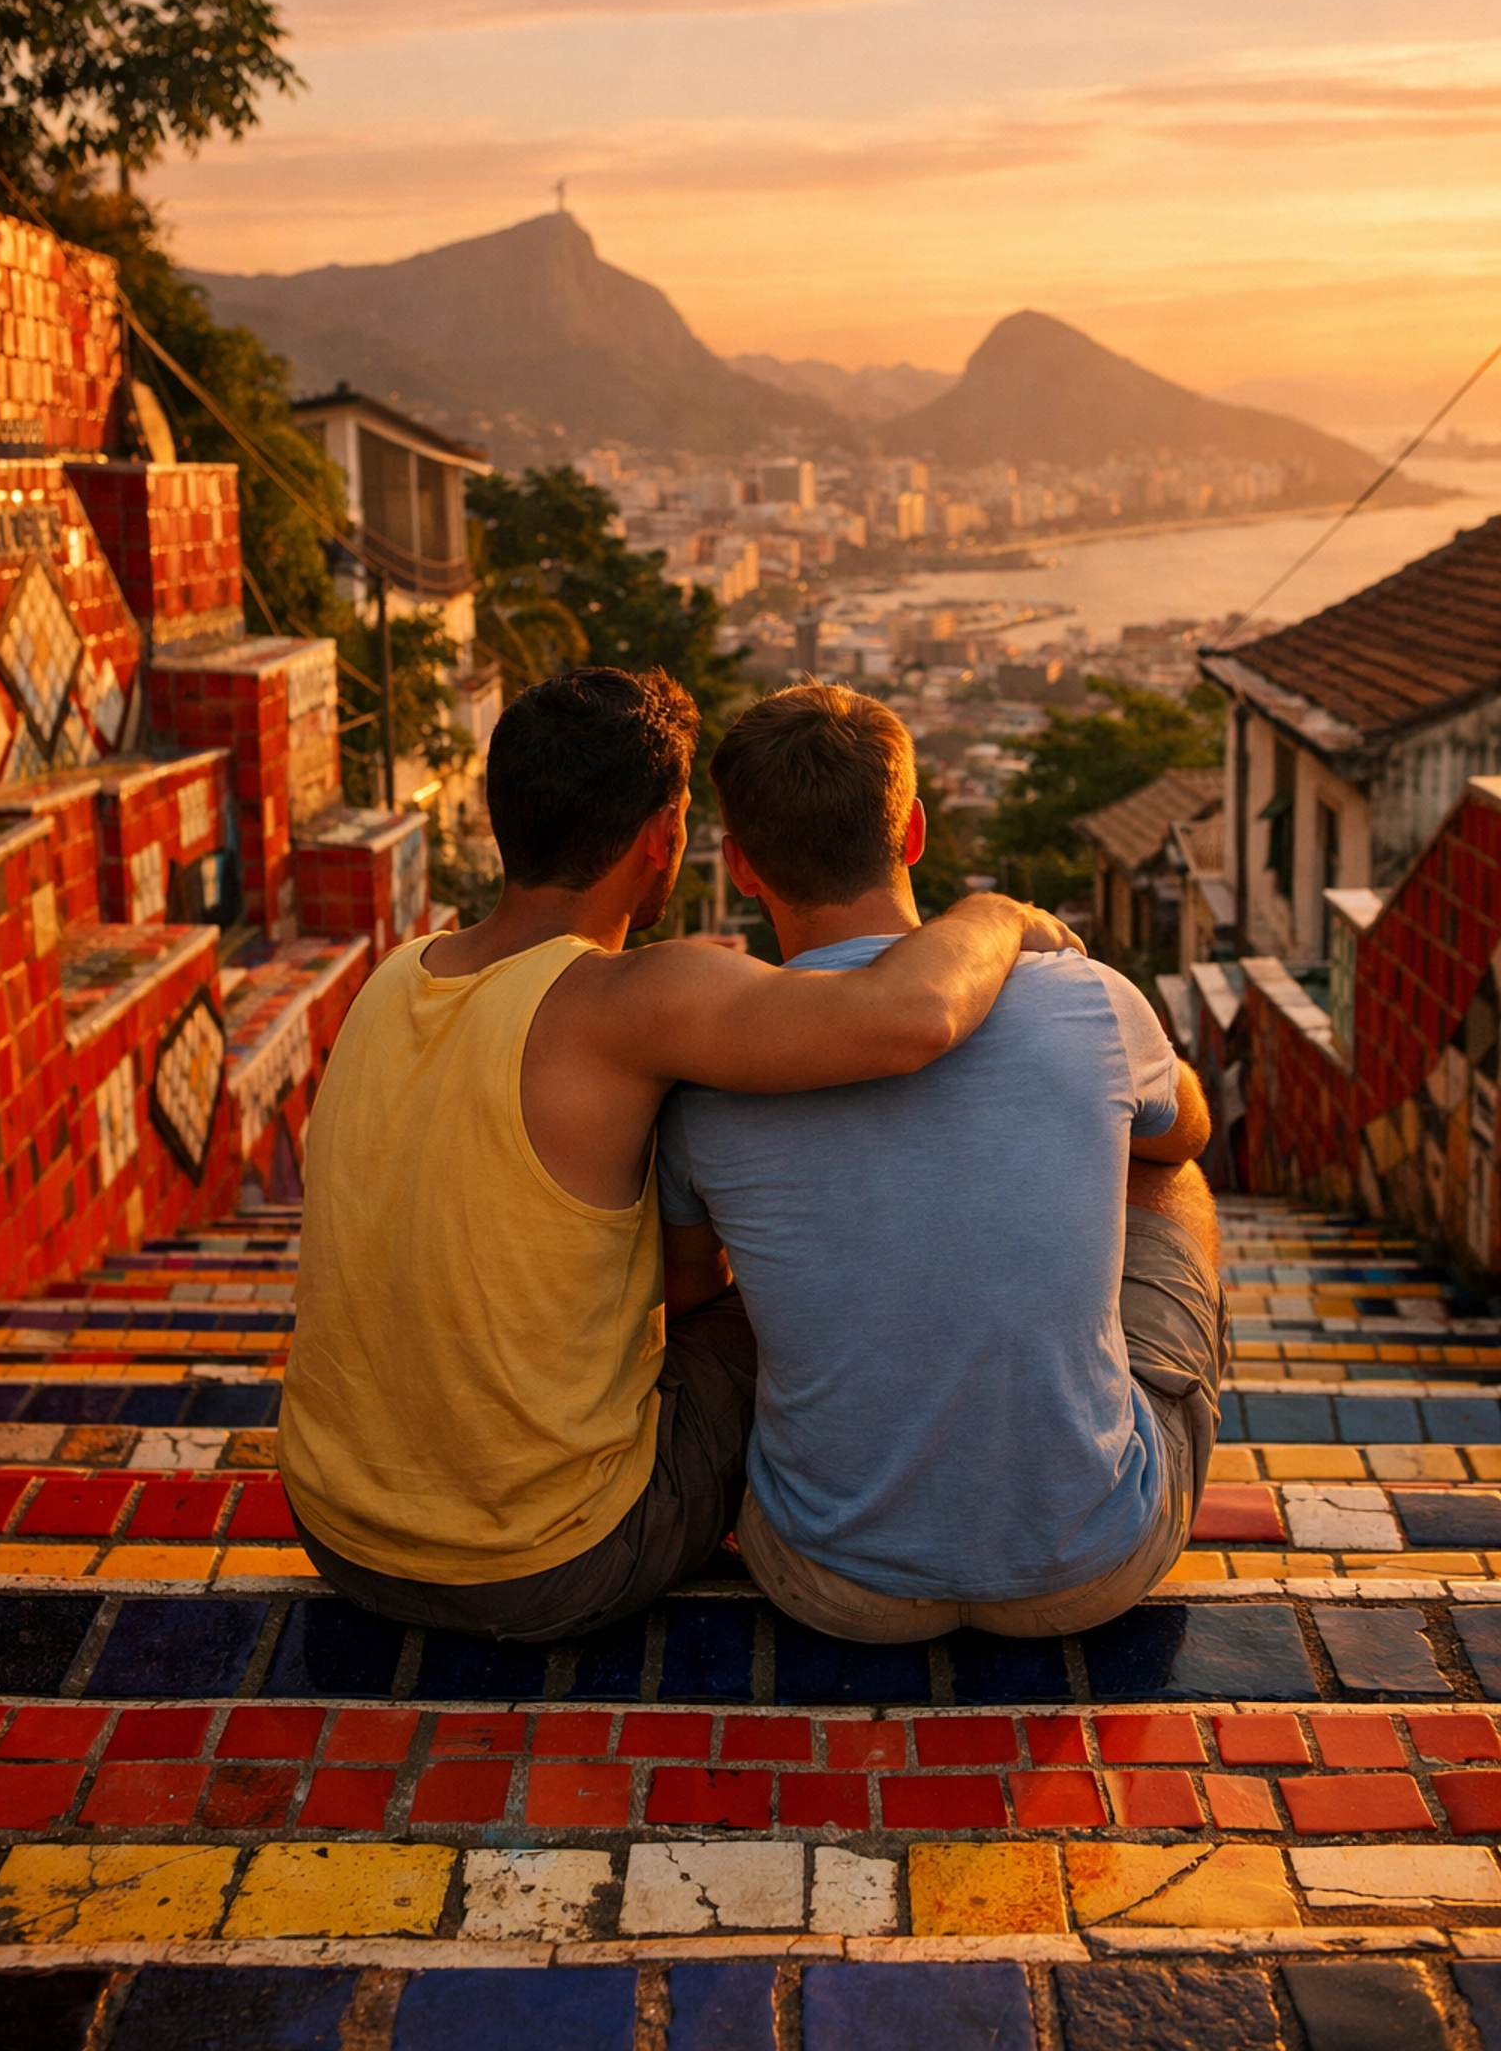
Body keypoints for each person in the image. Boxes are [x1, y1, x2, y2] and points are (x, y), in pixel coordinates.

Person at [277, 666, 1080, 1643]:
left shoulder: (390, 980)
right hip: (553, 1561)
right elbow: (909, 1016)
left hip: (336, 1527)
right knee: (789, 1304)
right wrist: (998, 914)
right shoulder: (628, 999)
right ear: (663, 838)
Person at [657, 681, 1226, 1640]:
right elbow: (1190, 1131)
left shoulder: (704, 1071)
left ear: (740, 865)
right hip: (1093, 1559)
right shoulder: (1088, 998)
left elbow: (685, 1292)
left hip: (824, 1575)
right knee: (1167, 1162)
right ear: (914, 831)